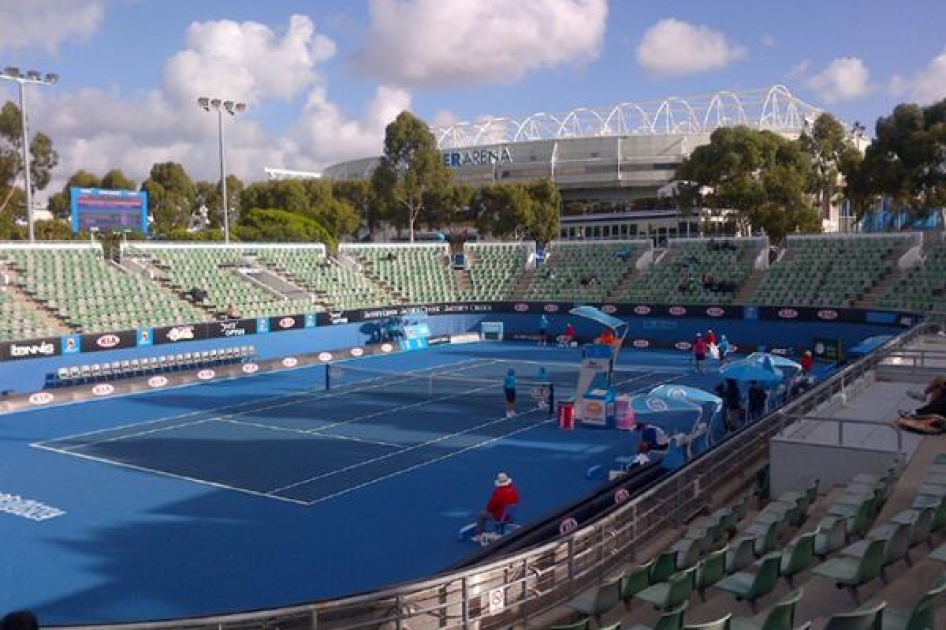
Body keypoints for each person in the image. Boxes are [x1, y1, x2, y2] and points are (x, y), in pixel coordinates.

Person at [474, 471, 520, 542]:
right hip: (509, 515)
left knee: (481, 514)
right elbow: (516, 501)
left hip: (500, 517)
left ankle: (479, 535)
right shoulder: (514, 490)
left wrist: (490, 510)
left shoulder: (498, 492)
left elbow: (490, 507)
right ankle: (499, 528)